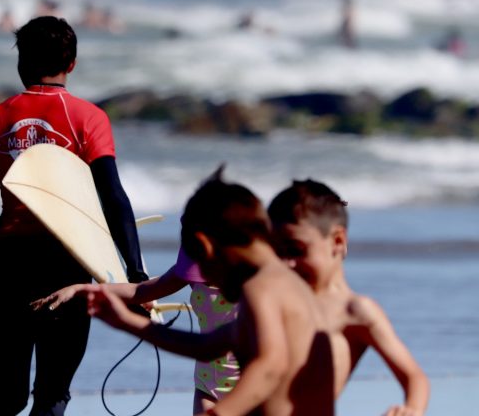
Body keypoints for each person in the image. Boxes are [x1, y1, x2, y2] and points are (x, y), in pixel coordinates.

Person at [0, 16, 149, 416]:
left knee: (7, 396)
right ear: (71, 64)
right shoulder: (88, 119)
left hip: (12, 263)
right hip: (67, 261)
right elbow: (112, 196)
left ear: (21, 64)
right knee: (52, 396)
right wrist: (133, 273)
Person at [87, 169, 334, 416]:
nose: (199, 274)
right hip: (209, 385)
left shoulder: (263, 289)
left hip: (253, 395)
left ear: (206, 247)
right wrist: (101, 302)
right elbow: (205, 345)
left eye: (200, 265)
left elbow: (269, 366)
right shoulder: (233, 278)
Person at [267, 179, 430, 416]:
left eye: (296, 249)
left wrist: (412, 409)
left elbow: (414, 376)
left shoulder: (353, 311)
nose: (286, 262)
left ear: (337, 241)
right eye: (277, 251)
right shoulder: (272, 301)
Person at [32, 246, 240, 414]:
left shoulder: (258, 283)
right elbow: (139, 291)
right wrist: (79, 289)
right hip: (208, 385)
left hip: (251, 382)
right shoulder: (192, 270)